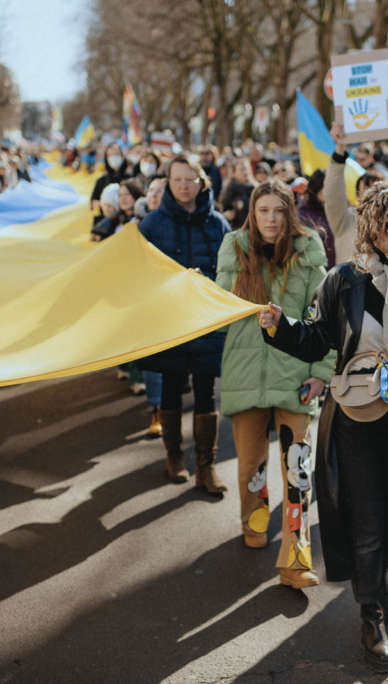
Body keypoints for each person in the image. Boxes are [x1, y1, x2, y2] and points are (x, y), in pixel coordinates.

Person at [258, 176, 388, 673]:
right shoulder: (342, 281)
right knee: (368, 517)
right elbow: (318, 340)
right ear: (372, 226)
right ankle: (370, 612)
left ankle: (373, 582)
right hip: (356, 417)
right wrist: (281, 328)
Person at [216, 179, 335, 589]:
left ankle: (295, 560)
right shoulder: (234, 248)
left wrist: (322, 373)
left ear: (290, 213)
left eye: (279, 211)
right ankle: (254, 523)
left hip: (296, 376)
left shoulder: (309, 252)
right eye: (263, 210)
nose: (270, 219)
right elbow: (219, 313)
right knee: (251, 466)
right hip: (245, 374)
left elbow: (325, 319)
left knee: (298, 471)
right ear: (252, 213)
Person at [139, 154, 231, 493]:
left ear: (201, 182)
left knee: (206, 391)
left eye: (189, 179)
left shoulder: (218, 223)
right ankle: (174, 457)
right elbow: (139, 273)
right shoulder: (152, 224)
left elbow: (231, 270)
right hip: (170, 322)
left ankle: (207, 466)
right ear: (168, 182)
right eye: (176, 179)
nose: (183, 186)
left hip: (206, 320)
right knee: (171, 386)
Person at [326, 120, 385, 263]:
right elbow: (333, 191)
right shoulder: (345, 221)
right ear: (358, 195)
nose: (371, 194)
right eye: (366, 188)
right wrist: (340, 147)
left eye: (377, 189)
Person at [296, 169, 336, 268]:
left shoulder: (336, 210)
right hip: (317, 270)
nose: (331, 191)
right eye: (327, 187)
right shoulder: (304, 215)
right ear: (316, 188)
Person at [90, 143, 129, 226]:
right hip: (106, 221)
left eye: (116, 154)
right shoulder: (101, 181)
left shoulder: (130, 178)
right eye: (110, 155)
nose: (113, 157)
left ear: (122, 156)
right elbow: (93, 202)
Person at [219, 158, 255, 230]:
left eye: (246, 169)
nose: (245, 172)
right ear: (234, 172)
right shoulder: (229, 189)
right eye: (241, 169)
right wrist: (226, 215)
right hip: (236, 229)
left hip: (253, 228)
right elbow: (224, 209)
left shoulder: (255, 188)